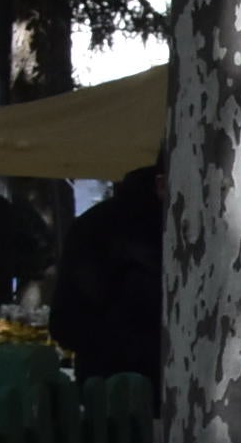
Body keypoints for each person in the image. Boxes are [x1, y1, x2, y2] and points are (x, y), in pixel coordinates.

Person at [50, 161, 164, 387]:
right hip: (121, 383)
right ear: (160, 184)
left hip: (106, 383)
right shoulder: (105, 228)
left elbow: (65, 324)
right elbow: (67, 321)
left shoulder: (93, 224)